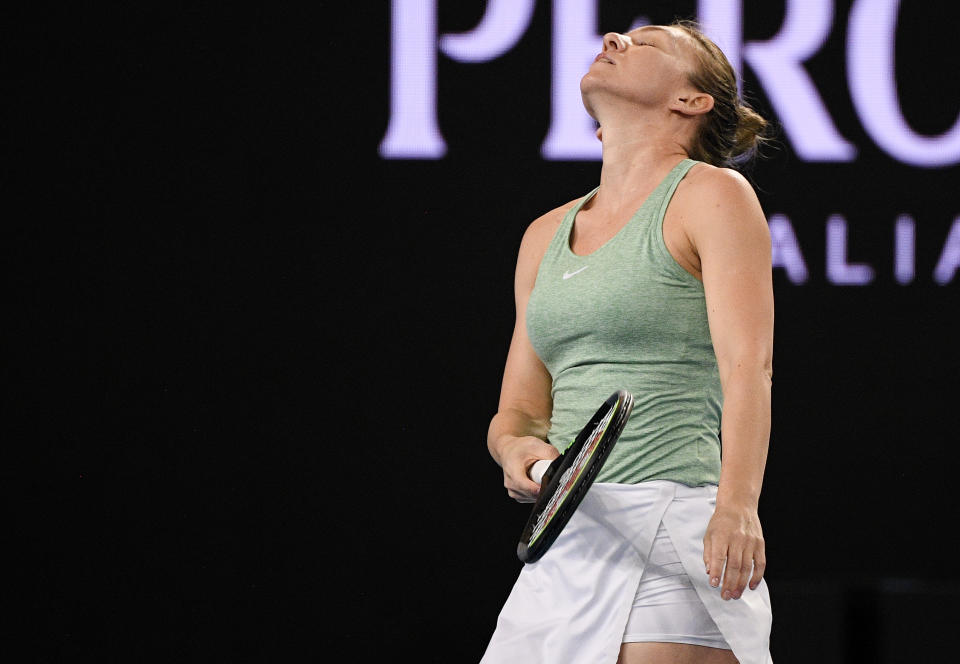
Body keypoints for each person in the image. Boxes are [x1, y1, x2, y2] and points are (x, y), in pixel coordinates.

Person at [481, 19, 774, 664]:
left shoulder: (713, 195)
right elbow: (519, 411)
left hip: (675, 527)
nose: (613, 38)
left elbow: (748, 365)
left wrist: (737, 506)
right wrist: (519, 451)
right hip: (567, 537)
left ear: (691, 101)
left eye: (647, 43)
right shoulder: (543, 235)